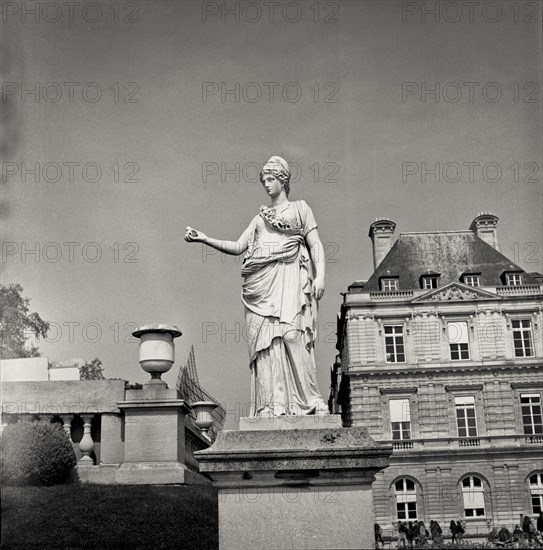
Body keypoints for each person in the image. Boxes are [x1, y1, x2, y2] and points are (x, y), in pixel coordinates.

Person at [185, 156, 328, 416]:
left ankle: (311, 400)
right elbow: (238, 247)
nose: (266, 185)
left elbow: (315, 244)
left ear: (283, 180)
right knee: (266, 345)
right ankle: (271, 405)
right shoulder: (260, 220)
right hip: (261, 288)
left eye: (271, 179)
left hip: (291, 278)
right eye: (264, 180)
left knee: (293, 336)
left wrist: (320, 276)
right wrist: (205, 239)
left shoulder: (300, 209)